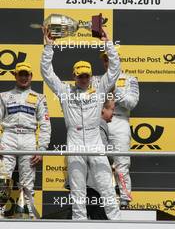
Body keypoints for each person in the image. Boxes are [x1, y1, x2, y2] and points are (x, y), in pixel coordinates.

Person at [41, 28, 121, 220]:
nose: (83, 79)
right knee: (77, 190)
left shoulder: (100, 89)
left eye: (86, 76)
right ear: (74, 75)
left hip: (95, 142)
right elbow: (47, 73)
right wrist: (48, 47)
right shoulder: (65, 91)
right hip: (75, 141)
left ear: (91, 76)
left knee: (106, 187)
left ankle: (118, 222)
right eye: (80, 76)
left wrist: (107, 43)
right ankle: (79, 223)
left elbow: (115, 69)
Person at [0, 62, 51, 218]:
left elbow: (45, 125)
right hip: (8, 136)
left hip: (29, 137)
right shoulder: (4, 96)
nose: (23, 77)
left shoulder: (39, 97)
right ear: (15, 75)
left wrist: (41, 149)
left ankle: (28, 213)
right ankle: (0, 211)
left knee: (28, 180)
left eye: (26, 74)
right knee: (2, 177)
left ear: (31, 76)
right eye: (20, 74)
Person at [93, 52, 139, 208]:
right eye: (105, 60)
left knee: (122, 163)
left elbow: (132, 103)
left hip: (120, 121)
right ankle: (101, 199)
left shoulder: (130, 79)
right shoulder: (96, 80)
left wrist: (115, 90)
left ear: (118, 60)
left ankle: (124, 200)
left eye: (111, 58)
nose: (108, 62)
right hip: (99, 121)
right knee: (98, 161)